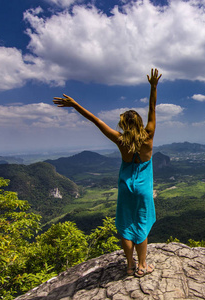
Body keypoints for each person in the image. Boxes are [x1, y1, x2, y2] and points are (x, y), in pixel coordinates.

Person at [53, 68, 162, 277]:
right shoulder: (148, 136)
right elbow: (152, 107)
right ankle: (142, 266)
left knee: (126, 224)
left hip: (125, 186)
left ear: (123, 124)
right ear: (139, 123)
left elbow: (96, 121)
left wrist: (75, 105)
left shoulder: (120, 140)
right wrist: (153, 86)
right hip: (143, 189)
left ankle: (129, 266)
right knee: (142, 223)